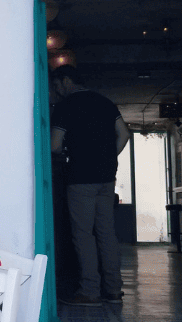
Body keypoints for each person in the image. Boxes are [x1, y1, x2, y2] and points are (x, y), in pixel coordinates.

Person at [50, 66, 131, 307]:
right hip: (106, 178)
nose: (56, 90)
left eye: (57, 85)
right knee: (106, 233)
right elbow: (124, 135)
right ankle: (114, 290)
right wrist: (107, 158)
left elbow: (54, 145)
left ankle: (90, 290)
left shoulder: (65, 107)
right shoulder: (106, 103)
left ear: (65, 81)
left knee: (83, 235)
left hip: (80, 179)